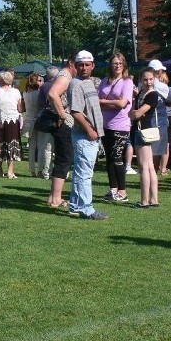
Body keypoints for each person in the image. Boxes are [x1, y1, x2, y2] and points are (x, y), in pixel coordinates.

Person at [67, 50, 108, 220]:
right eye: (80, 65)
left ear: (93, 66)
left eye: (87, 65)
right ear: (75, 66)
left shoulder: (89, 82)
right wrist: (90, 130)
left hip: (90, 135)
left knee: (81, 172)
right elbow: (76, 111)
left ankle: (76, 205)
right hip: (84, 135)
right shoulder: (76, 84)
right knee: (85, 174)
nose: (84, 68)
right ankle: (87, 208)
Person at [98, 51, 132, 202]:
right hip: (105, 125)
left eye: (120, 63)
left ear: (124, 65)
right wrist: (112, 103)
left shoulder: (127, 82)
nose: (118, 65)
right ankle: (113, 189)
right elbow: (97, 101)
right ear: (110, 65)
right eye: (115, 63)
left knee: (117, 157)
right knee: (109, 158)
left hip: (121, 125)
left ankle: (122, 192)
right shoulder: (105, 81)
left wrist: (105, 102)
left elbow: (122, 103)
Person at [45, 57, 77, 208]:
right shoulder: (65, 76)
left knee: (61, 158)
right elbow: (52, 94)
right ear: (71, 62)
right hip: (62, 122)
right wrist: (64, 115)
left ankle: (53, 196)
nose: (81, 67)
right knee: (64, 158)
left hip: (58, 121)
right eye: (78, 64)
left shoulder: (63, 75)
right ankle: (56, 198)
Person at [129, 68, 160, 208]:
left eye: (150, 79)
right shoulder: (142, 93)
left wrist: (135, 113)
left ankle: (144, 201)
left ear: (154, 79)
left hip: (143, 130)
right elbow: (133, 113)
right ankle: (153, 199)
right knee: (150, 167)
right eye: (145, 79)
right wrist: (135, 113)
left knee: (144, 167)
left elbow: (137, 113)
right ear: (141, 80)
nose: (148, 82)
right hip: (142, 129)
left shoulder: (152, 95)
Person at [0, 70, 22, 179]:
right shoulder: (16, 92)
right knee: (12, 144)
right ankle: (10, 171)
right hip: (13, 120)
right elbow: (20, 108)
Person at [22, 73, 43, 177]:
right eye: (39, 80)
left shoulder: (25, 93)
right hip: (38, 119)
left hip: (29, 120)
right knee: (39, 146)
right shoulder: (39, 93)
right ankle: (39, 170)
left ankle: (32, 170)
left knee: (31, 146)